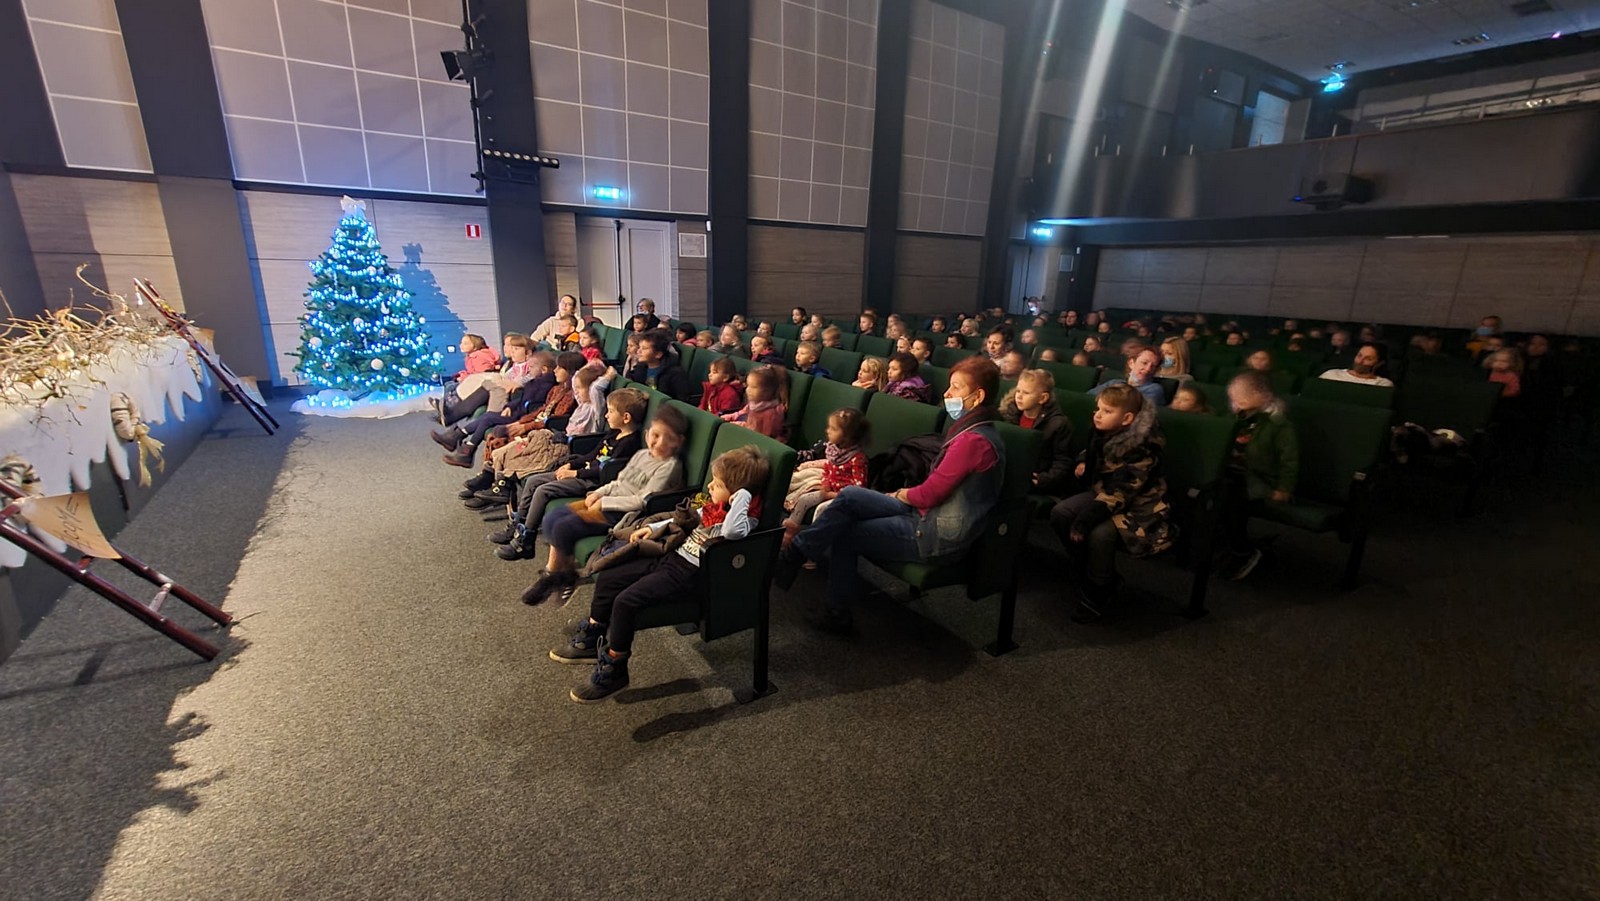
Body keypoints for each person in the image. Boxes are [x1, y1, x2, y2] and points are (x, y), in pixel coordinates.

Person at [779, 356, 1008, 634]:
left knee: (845, 534)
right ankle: (799, 551)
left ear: (978, 396)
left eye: (956, 388)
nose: (947, 394)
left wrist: (899, 494)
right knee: (850, 495)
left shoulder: (974, 441)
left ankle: (835, 611)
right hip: (923, 513)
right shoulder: (969, 431)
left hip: (935, 533)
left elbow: (930, 494)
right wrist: (900, 496)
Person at [553, 446, 771, 702]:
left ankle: (616, 667)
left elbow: (732, 532)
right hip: (672, 557)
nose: (710, 486)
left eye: (718, 484)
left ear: (737, 494)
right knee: (610, 577)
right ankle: (592, 636)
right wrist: (654, 528)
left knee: (625, 602)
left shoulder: (745, 519)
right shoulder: (714, 508)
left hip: (690, 575)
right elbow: (687, 518)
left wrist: (742, 495)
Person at [522, 405, 688, 604]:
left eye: (667, 438)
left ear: (679, 442)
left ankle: (551, 577)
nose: (658, 442)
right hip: (606, 501)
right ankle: (564, 576)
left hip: (622, 514)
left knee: (562, 528)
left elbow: (642, 500)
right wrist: (598, 493)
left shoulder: (670, 466)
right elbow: (618, 482)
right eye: (655, 435)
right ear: (647, 434)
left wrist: (604, 502)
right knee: (552, 517)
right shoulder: (642, 455)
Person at [1048, 384, 1174, 622]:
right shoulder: (1104, 429)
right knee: (1061, 513)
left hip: (1140, 506)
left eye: (1106, 411)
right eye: (1098, 409)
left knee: (1100, 534)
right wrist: (1084, 460)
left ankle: (1100, 587)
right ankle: (1087, 567)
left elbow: (1122, 491)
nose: (1097, 415)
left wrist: (1085, 520)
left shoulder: (1142, 446)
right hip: (1104, 491)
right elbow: (1093, 451)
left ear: (1127, 419)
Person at [490, 389, 648, 560]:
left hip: (592, 481)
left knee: (543, 490)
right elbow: (592, 455)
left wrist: (575, 473)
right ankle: (517, 526)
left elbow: (605, 470)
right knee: (533, 481)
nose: (606, 415)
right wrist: (571, 464)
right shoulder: (614, 433)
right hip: (580, 472)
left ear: (626, 417)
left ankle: (526, 541)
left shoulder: (629, 443)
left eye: (610, 411)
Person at [1219, 371, 1297, 581]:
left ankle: (1242, 551)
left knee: (1230, 495)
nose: (1237, 402)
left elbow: (1289, 460)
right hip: (1232, 473)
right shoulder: (1237, 418)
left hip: (1260, 479)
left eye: (1242, 397)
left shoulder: (1278, 425)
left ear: (1263, 396)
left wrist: (1284, 488)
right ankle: (1221, 546)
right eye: (1234, 398)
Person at [783, 407, 869, 543]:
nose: (827, 431)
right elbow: (828, 469)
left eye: (833, 429)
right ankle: (789, 533)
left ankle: (812, 543)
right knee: (804, 499)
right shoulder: (834, 451)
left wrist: (833, 495)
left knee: (821, 510)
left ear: (847, 436)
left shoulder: (857, 459)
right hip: (829, 489)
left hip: (844, 497)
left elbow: (858, 490)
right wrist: (826, 483)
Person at [1001, 369, 1073, 496]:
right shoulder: (1010, 413)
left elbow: (1062, 462)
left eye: (1026, 393)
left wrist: (1043, 479)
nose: (1019, 396)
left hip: (1035, 478)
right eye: (1018, 391)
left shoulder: (1058, 424)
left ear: (1043, 398)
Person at [722, 365, 788, 441]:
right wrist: (729, 417)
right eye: (747, 386)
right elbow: (742, 413)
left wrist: (737, 424)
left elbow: (760, 436)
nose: (748, 390)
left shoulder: (771, 414)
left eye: (753, 387)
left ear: (767, 391)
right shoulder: (754, 404)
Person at [1089, 345, 1165, 406]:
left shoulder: (1154, 389)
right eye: (1144, 363)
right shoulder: (1114, 383)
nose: (1148, 369)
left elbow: (1131, 408)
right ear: (1131, 363)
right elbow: (1088, 397)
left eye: (1153, 366)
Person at [626, 331, 693, 400]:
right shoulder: (640, 367)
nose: (639, 351)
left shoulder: (675, 374)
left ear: (658, 354)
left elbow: (682, 399)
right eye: (639, 347)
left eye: (644, 348)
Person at [1318, 343, 1394, 388]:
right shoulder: (1332, 374)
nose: (1360, 361)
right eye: (1359, 355)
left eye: (1368, 359)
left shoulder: (1382, 384)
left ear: (1379, 363)